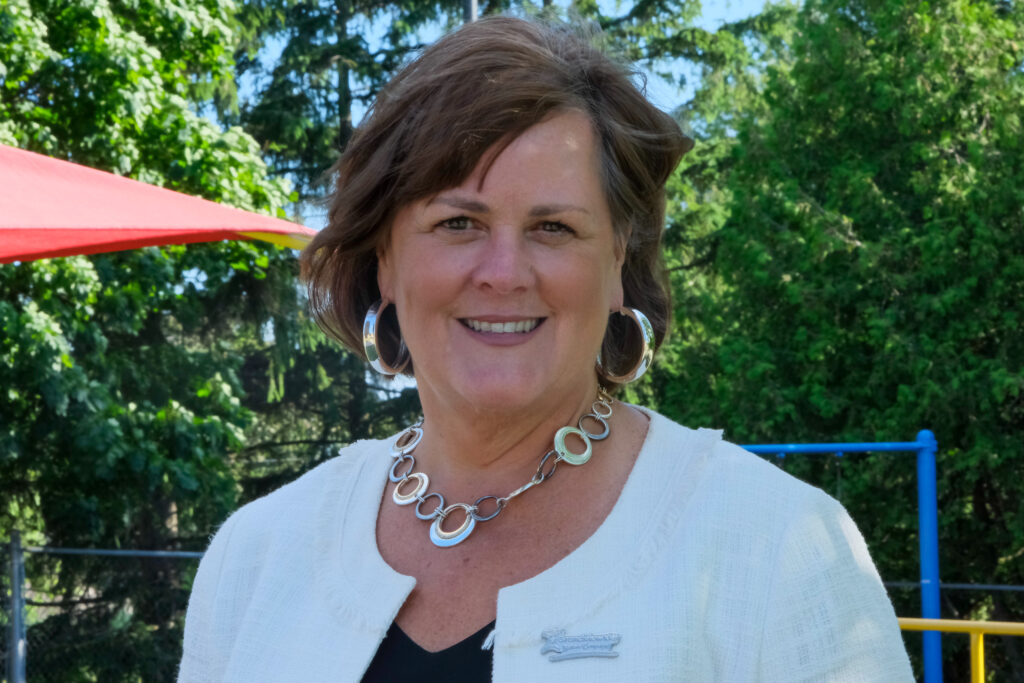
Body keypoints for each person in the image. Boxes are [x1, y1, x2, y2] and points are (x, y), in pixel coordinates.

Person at [179, 16, 913, 682]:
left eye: (553, 227)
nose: (504, 273)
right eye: (458, 223)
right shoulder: (258, 555)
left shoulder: (776, 547)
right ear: (385, 262)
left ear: (618, 261)